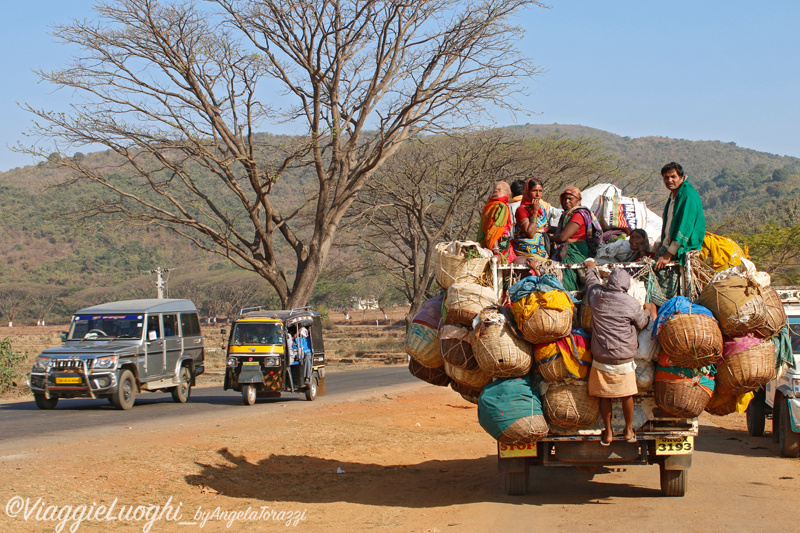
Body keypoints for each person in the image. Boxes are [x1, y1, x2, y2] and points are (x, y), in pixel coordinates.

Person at [583, 259, 658, 445]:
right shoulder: (631, 303)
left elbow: (591, 283)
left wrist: (591, 268)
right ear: (626, 285)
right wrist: (648, 311)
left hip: (601, 357)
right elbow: (642, 324)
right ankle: (628, 430)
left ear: (609, 283)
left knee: (605, 396)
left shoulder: (597, 296)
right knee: (627, 395)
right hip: (624, 358)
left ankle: (607, 433)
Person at [653, 162, 706, 300]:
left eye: (673, 176)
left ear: (682, 177)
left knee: (662, 289)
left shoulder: (687, 195)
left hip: (682, 249)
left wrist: (668, 254)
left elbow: (685, 227)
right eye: (666, 177)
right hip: (669, 247)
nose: (669, 180)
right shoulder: (674, 196)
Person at [551, 186, 603, 291]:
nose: (566, 201)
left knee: (567, 277)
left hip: (575, 250)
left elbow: (562, 237)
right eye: (564, 198)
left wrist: (547, 237)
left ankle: (570, 298)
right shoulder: (568, 214)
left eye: (570, 198)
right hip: (571, 248)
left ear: (578, 200)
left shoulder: (578, 215)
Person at [512, 178, 553, 261]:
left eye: (540, 191)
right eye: (534, 191)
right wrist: (534, 212)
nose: (538, 194)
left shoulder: (541, 208)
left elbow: (545, 227)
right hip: (526, 250)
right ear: (527, 191)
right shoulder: (521, 210)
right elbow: (530, 233)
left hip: (542, 250)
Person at [477, 181, 516, 262]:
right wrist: (496, 250)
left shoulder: (488, 206)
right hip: (499, 247)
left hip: (485, 245)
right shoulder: (501, 207)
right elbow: (494, 230)